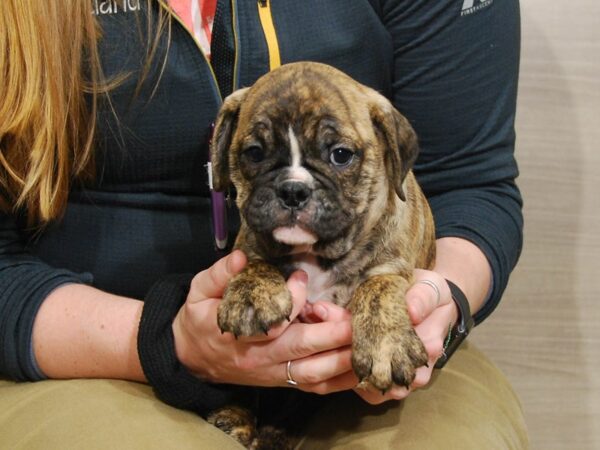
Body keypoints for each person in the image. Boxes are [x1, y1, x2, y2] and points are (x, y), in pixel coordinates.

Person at [0, 0, 528, 448]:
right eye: (253, 153)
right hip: (87, 347)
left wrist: (439, 296)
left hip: (376, 350)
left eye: (340, 154)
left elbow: (470, 181)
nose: (296, 186)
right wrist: (162, 342)